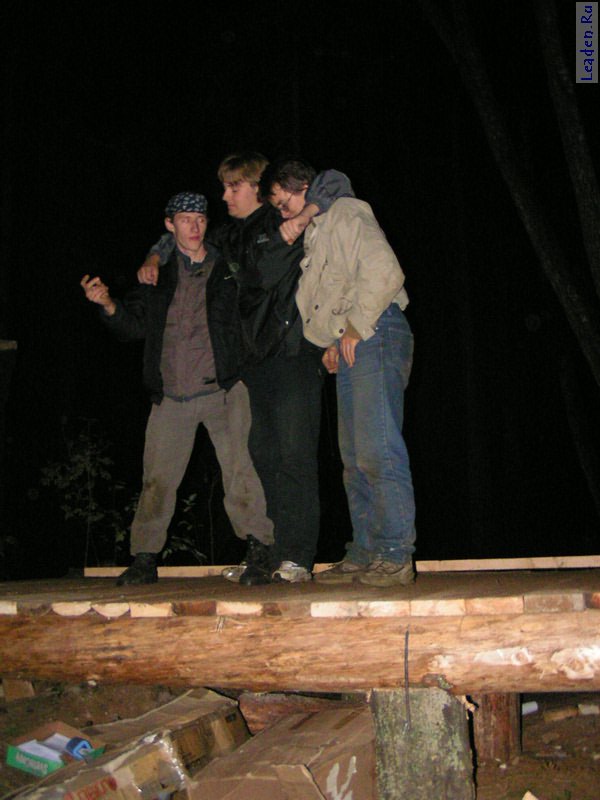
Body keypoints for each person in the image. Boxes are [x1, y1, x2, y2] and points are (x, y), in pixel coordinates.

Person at [140, 155, 336, 583]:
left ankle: (297, 556)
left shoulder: (282, 219)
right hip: (253, 362)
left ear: (256, 187)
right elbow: (184, 241)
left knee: (295, 455)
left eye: (233, 187)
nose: (225, 195)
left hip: (292, 351)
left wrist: (303, 215)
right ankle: (269, 554)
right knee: (261, 456)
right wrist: (156, 254)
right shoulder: (228, 236)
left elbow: (333, 183)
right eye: (224, 187)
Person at [80, 191, 273, 586]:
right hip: (171, 396)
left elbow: (255, 308)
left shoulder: (227, 265)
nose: (194, 226)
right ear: (170, 225)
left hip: (223, 390)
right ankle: (144, 559)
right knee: (157, 481)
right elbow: (133, 327)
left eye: (200, 219)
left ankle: (259, 550)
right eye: (185, 219)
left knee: (241, 473)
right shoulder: (158, 275)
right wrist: (108, 305)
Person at [266, 159, 417, 587]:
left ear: (303, 188)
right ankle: (365, 552)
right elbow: (338, 292)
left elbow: (384, 271)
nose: (282, 212)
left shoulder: (346, 212)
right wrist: (335, 340)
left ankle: (395, 554)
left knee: (378, 449)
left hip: (378, 331)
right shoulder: (316, 234)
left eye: (283, 202)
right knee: (354, 458)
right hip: (356, 340)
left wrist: (355, 328)